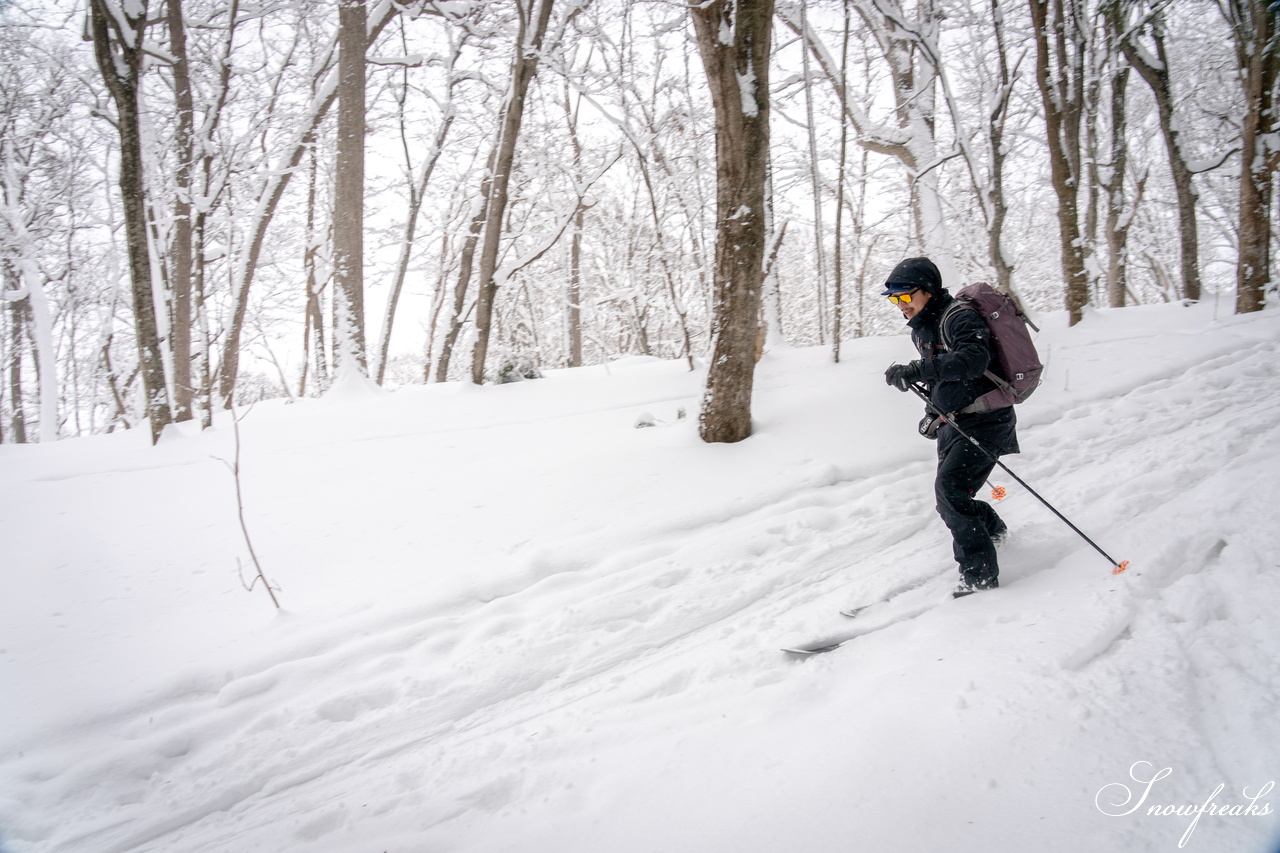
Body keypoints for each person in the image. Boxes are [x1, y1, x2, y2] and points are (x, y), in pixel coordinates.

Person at [881, 257, 1019, 598]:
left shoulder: (959, 317)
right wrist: (932, 407)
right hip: (956, 422)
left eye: (904, 297)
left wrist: (917, 369)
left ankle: (980, 578)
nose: (900, 306)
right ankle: (996, 533)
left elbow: (973, 361)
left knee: (951, 492)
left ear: (927, 291)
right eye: (893, 300)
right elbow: (946, 376)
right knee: (951, 496)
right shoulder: (926, 325)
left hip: (987, 420)